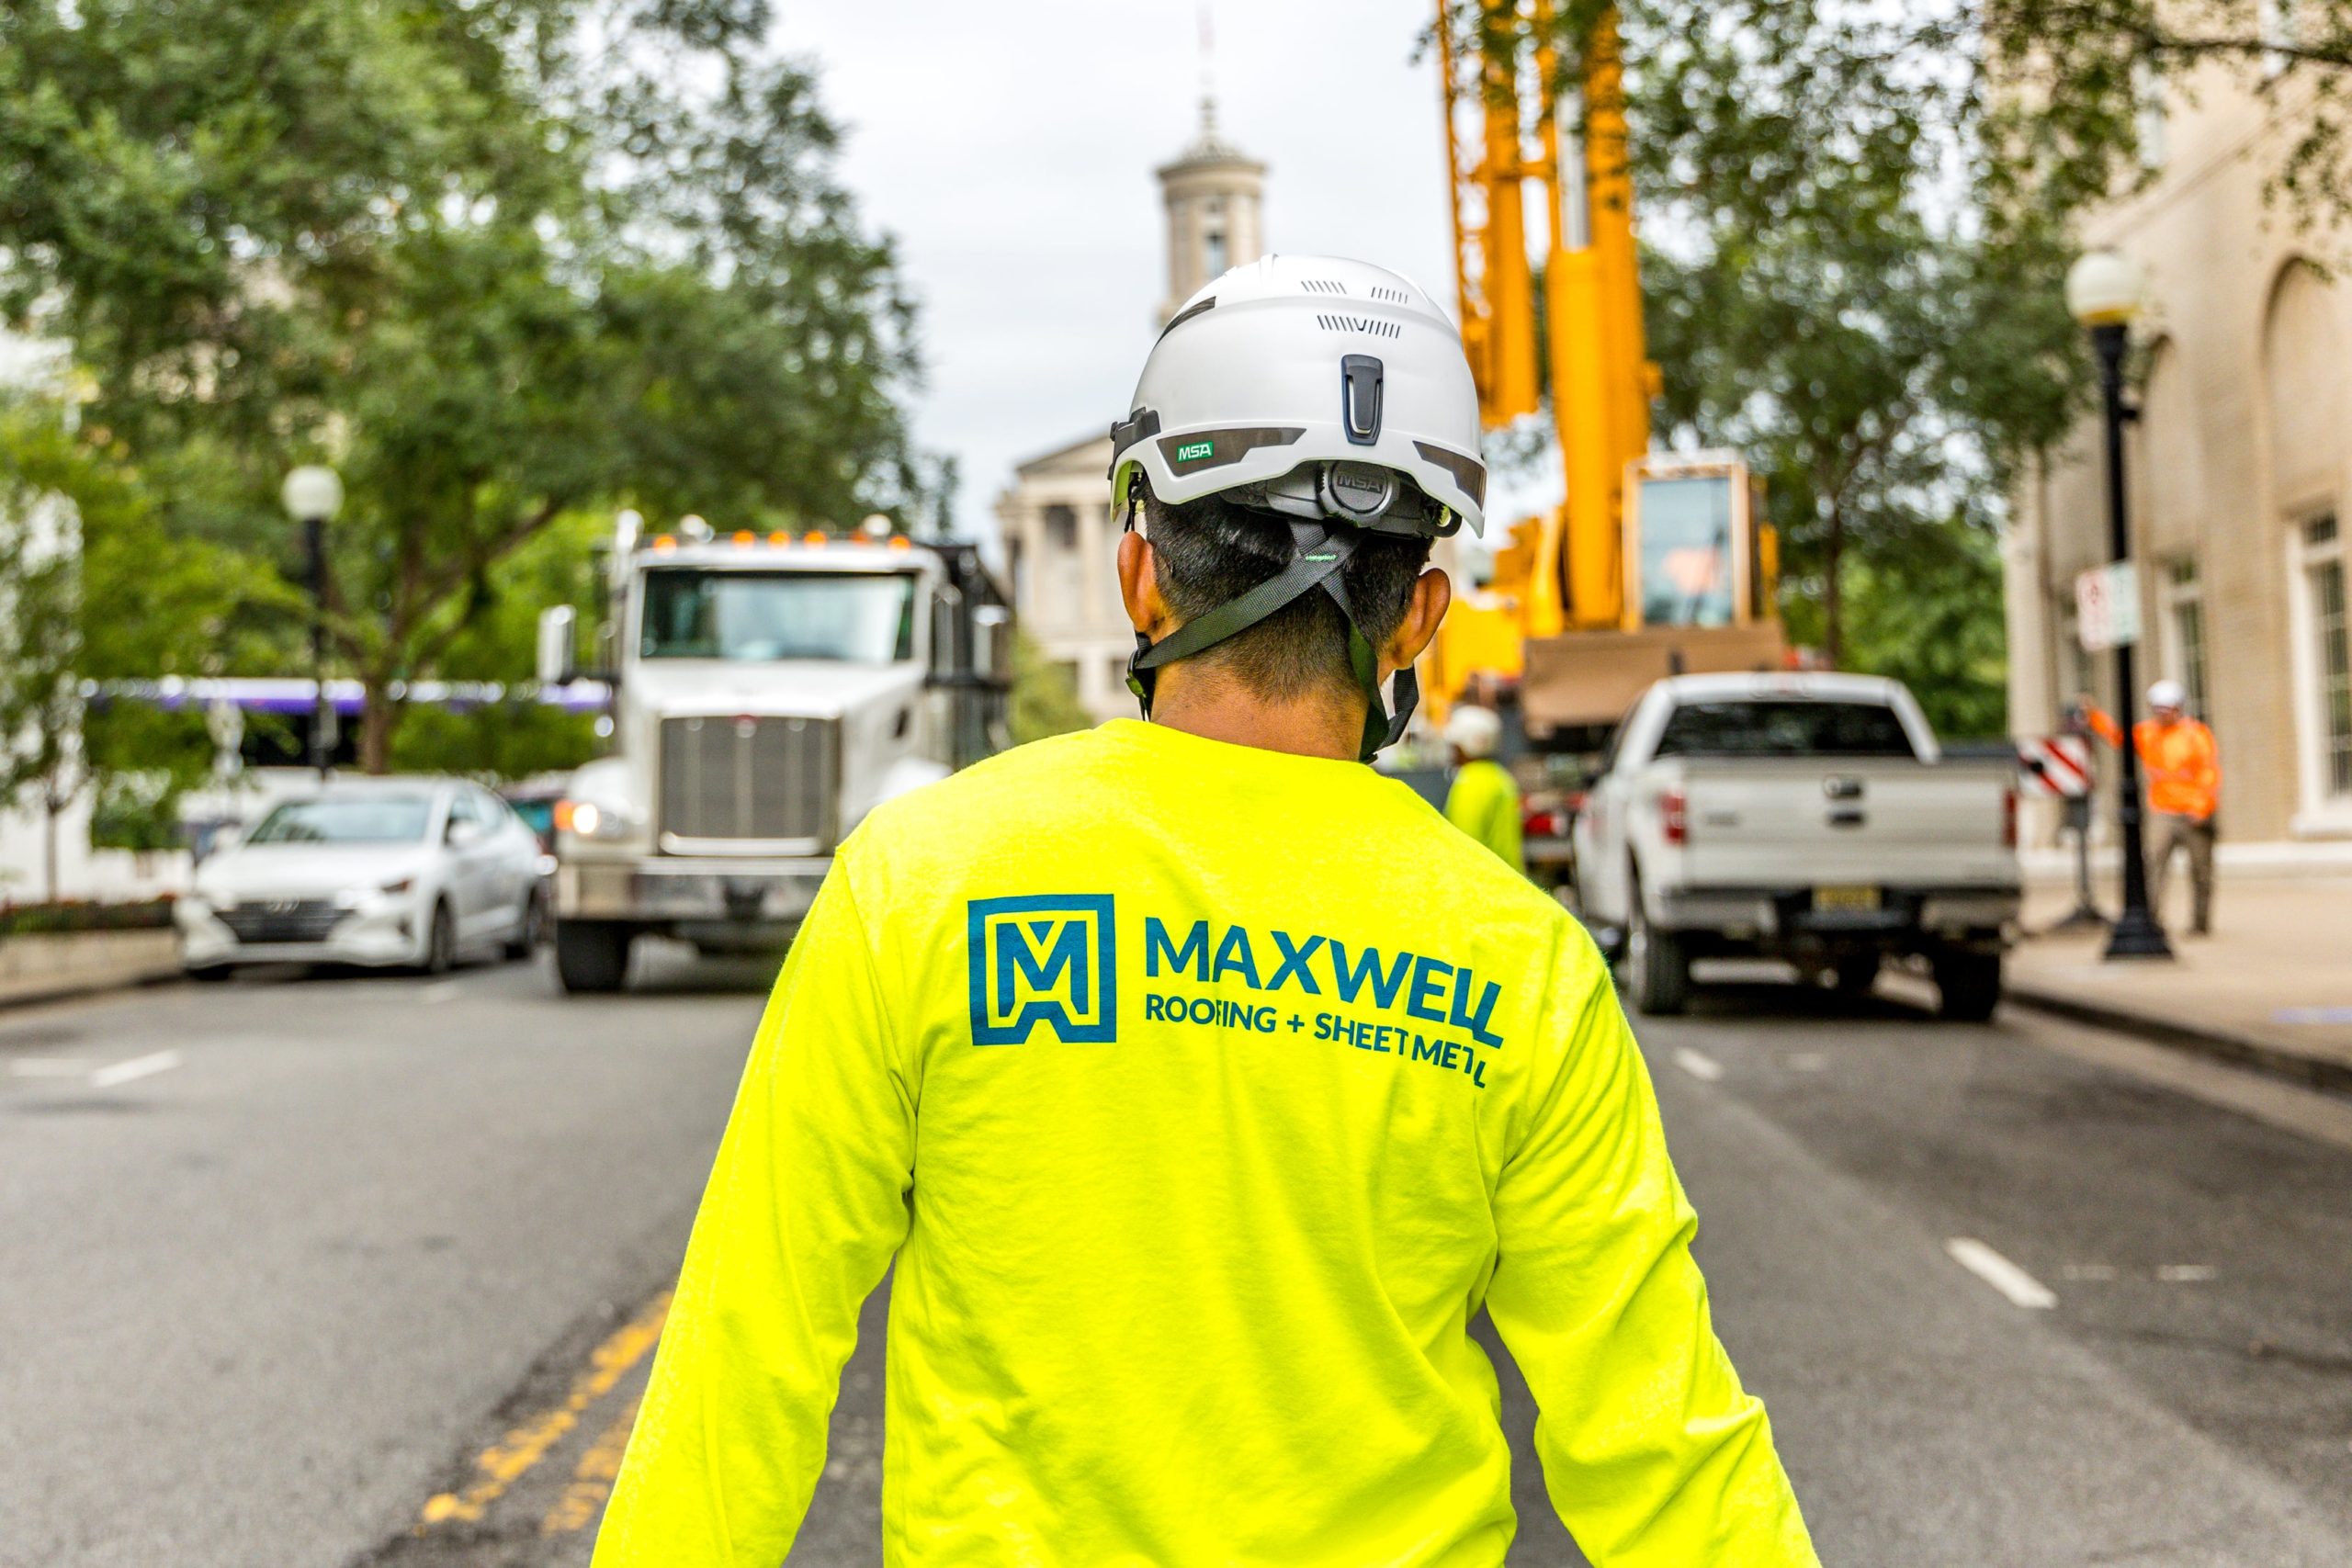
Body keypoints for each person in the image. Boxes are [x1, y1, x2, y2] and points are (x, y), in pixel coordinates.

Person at [593, 255, 1816, 1567]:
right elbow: (1670, 1449)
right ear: (1418, 616)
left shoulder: (921, 881)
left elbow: (745, 1358)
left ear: (1140, 575)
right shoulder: (1522, 965)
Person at [2081, 679, 2221, 934]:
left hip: (2193, 812)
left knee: (2201, 871)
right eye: (2158, 709)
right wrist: (2094, 715)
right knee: (2153, 864)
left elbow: (2208, 772)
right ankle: (2151, 918)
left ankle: (2200, 923)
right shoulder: (2148, 732)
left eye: (2166, 709)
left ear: (2178, 708)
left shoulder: (2196, 734)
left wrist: (2201, 807)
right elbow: (2118, 736)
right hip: (2163, 810)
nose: (2162, 714)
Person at [1442, 703, 1524, 874]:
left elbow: (1466, 843)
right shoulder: (1501, 777)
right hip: (1511, 880)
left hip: (1485, 884)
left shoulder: (1469, 782)